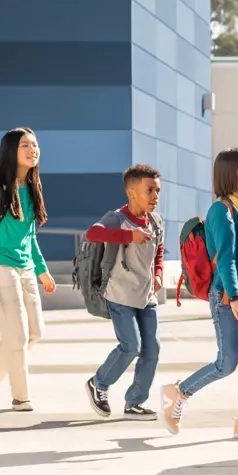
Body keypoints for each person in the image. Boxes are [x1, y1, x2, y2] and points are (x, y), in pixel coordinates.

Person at [159, 147, 238, 441]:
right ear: (230, 175)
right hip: (228, 297)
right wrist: (235, 297)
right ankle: (179, 392)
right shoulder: (220, 211)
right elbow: (225, 258)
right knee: (226, 363)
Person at [0, 128, 55, 411]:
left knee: (36, 332)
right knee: (16, 336)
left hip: (26, 267)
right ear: (10, 151)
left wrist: (42, 270)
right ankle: (21, 397)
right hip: (1, 265)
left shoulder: (33, 189)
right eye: (25, 145)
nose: (33, 150)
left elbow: (30, 237)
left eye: (35, 144)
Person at [84, 164, 166, 419]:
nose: (155, 196)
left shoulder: (156, 221)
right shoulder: (116, 218)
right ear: (131, 192)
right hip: (119, 294)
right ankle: (99, 383)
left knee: (151, 349)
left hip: (146, 295)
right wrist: (129, 236)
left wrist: (158, 274)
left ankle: (135, 402)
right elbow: (92, 234)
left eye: (158, 191)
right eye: (149, 190)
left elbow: (159, 250)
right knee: (131, 346)